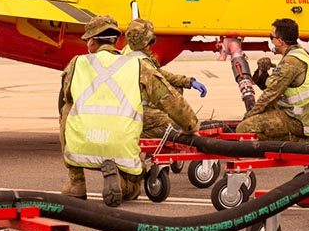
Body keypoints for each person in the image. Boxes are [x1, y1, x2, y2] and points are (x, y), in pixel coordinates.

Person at [59, 15, 199, 207]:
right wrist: (190, 125)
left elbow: (67, 96)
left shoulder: (77, 64)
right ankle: (123, 183)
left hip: (84, 143)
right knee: (132, 189)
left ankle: (76, 182)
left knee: (67, 109)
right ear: (116, 40)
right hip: (121, 145)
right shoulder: (137, 65)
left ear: (91, 41)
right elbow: (169, 98)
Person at [235, 18, 309, 142]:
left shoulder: (291, 61)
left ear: (280, 41)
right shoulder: (299, 54)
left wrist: (249, 115)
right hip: (302, 115)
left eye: (271, 37)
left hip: (300, 119)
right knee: (264, 115)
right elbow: (275, 86)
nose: (271, 41)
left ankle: (296, 141)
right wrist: (262, 72)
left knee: (244, 129)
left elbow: (271, 94)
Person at [123, 18, 207, 138]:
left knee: (176, 88)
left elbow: (160, 73)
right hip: (132, 113)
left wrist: (188, 81)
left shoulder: (126, 55)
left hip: (121, 111)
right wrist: (191, 126)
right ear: (149, 40)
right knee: (172, 123)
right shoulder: (143, 63)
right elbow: (169, 98)